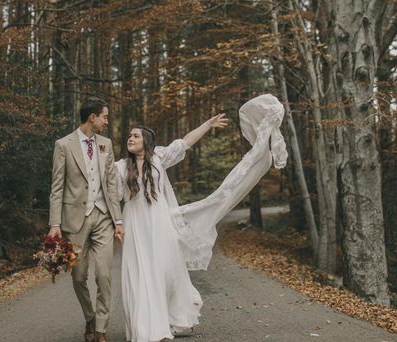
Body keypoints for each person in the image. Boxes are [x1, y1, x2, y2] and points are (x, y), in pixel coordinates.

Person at [114, 94, 288, 342]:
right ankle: (145, 329)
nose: (130, 139)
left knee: (163, 271)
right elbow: (112, 196)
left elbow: (185, 142)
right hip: (134, 222)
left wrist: (207, 124)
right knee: (139, 273)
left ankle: (164, 319)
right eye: (129, 136)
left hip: (159, 221)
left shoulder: (159, 158)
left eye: (135, 135)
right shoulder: (121, 167)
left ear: (147, 141)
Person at [48, 98, 125, 342]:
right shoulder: (63, 145)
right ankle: (90, 317)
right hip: (74, 220)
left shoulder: (106, 144)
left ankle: (101, 329)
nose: (106, 120)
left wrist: (118, 220)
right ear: (92, 117)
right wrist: (55, 224)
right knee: (78, 276)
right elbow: (57, 187)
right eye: (104, 116)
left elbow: (111, 184)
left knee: (104, 275)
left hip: (103, 218)